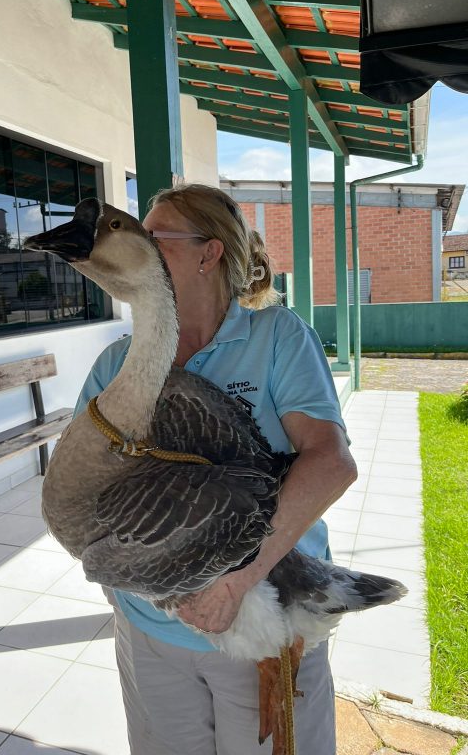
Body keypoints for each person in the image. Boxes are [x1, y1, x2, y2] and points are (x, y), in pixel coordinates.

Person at [72, 183, 357, 755]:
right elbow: (86, 480)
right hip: (150, 625)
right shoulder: (117, 364)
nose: (143, 249)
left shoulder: (276, 337)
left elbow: (330, 463)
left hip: (261, 619)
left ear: (210, 253)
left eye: (157, 238)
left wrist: (234, 583)